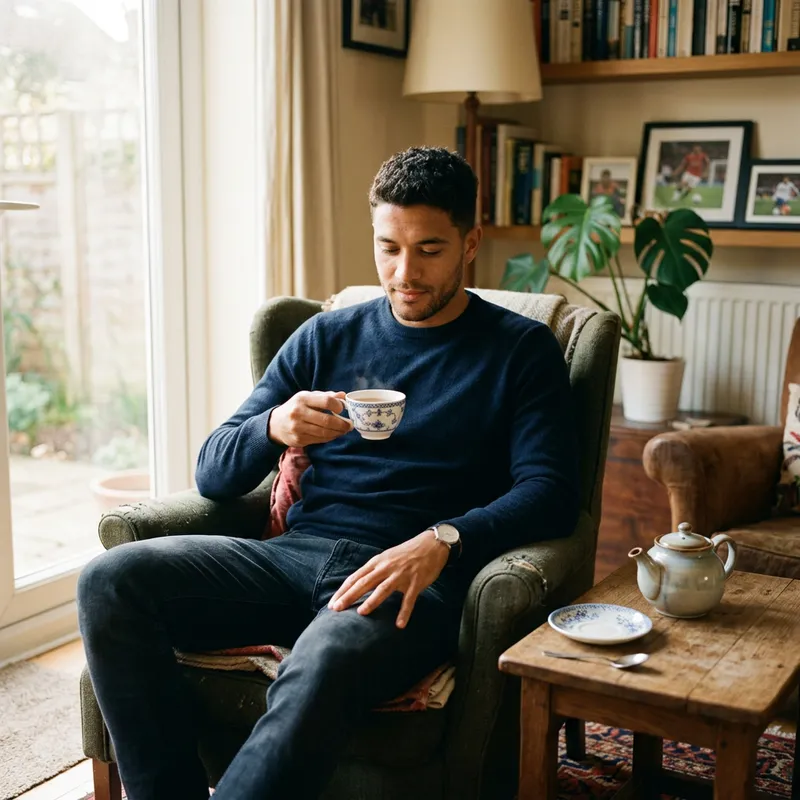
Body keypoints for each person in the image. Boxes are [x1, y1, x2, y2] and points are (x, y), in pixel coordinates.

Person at [76, 146, 580, 800]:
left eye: (429, 249)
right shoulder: (324, 337)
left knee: (328, 656)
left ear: (470, 242)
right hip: (292, 558)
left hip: (406, 581)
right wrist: (273, 427)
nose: (404, 273)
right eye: (388, 248)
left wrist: (443, 540)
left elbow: (551, 493)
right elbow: (213, 474)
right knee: (110, 580)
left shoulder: (520, 351)